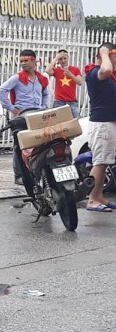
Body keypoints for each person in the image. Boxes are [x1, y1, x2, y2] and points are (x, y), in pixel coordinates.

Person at [0, 49, 50, 185]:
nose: (23, 63)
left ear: (34, 61)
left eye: (26, 60)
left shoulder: (41, 79)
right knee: (20, 145)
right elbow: (1, 91)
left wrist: (44, 106)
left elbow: (46, 94)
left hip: (38, 114)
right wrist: (12, 109)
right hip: (22, 116)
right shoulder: (17, 78)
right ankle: (19, 175)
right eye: (21, 61)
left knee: (41, 143)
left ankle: (38, 172)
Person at [83, 44, 116, 212]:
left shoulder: (108, 75)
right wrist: (104, 53)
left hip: (109, 124)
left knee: (105, 162)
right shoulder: (95, 73)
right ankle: (92, 200)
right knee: (100, 163)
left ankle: (99, 196)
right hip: (102, 125)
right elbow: (106, 70)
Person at [46, 49, 83, 118]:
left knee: (78, 121)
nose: (63, 61)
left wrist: (70, 75)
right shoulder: (56, 70)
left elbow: (80, 82)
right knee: (56, 122)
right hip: (59, 101)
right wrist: (56, 58)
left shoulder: (75, 69)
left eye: (65, 58)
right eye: (60, 59)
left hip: (72, 101)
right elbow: (47, 70)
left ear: (68, 58)